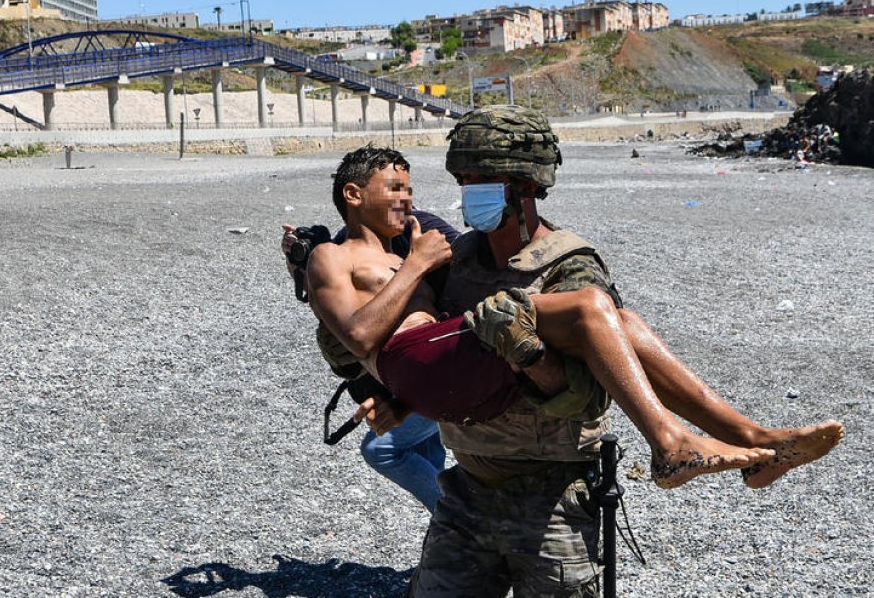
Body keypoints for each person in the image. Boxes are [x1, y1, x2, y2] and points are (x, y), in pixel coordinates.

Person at [308, 144, 838, 493]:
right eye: (393, 189)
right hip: (416, 362)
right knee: (587, 306)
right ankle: (670, 444)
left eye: (409, 189)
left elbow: (433, 314)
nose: (407, 200)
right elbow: (357, 335)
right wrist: (419, 264)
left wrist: (401, 397)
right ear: (354, 196)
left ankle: (753, 442)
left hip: (438, 369)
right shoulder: (332, 257)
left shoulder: (404, 254)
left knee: (619, 321)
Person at [281, 211, 458, 513]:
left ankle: (457, 517)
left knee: (381, 449)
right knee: (428, 457)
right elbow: (328, 310)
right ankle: (447, 547)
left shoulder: (426, 230)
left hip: (441, 374)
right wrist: (298, 264)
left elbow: (468, 281)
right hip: (397, 383)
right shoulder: (344, 247)